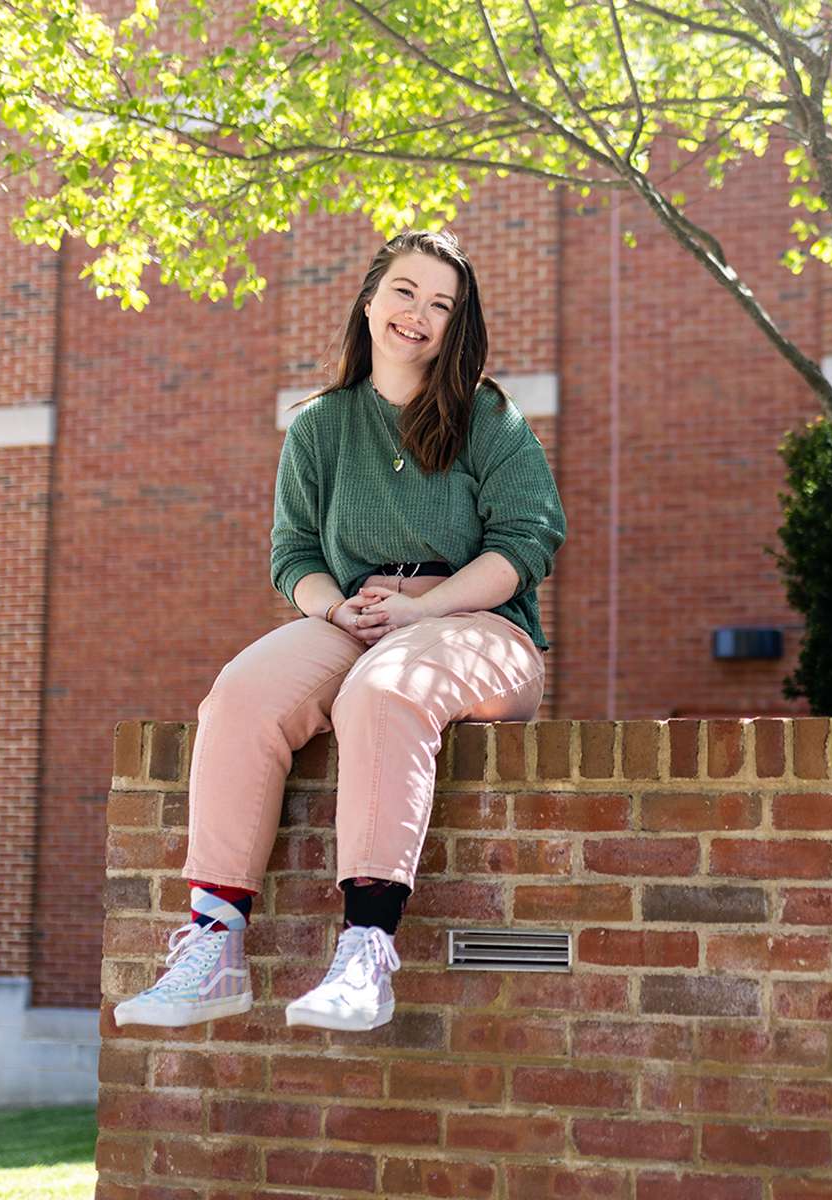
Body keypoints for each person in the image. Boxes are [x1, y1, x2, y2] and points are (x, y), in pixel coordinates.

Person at [113, 230, 564, 1032]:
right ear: (369, 299)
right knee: (241, 694)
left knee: (386, 693)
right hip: (358, 616)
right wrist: (333, 609)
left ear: (456, 326)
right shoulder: (321, 425)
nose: (418, 315)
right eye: (405, 292)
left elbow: (524, 546)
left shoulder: (488, 416)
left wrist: (425, 611)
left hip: (475, 626)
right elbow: (293, 557)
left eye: (440, 304)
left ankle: (366, 954)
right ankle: (214, 947)